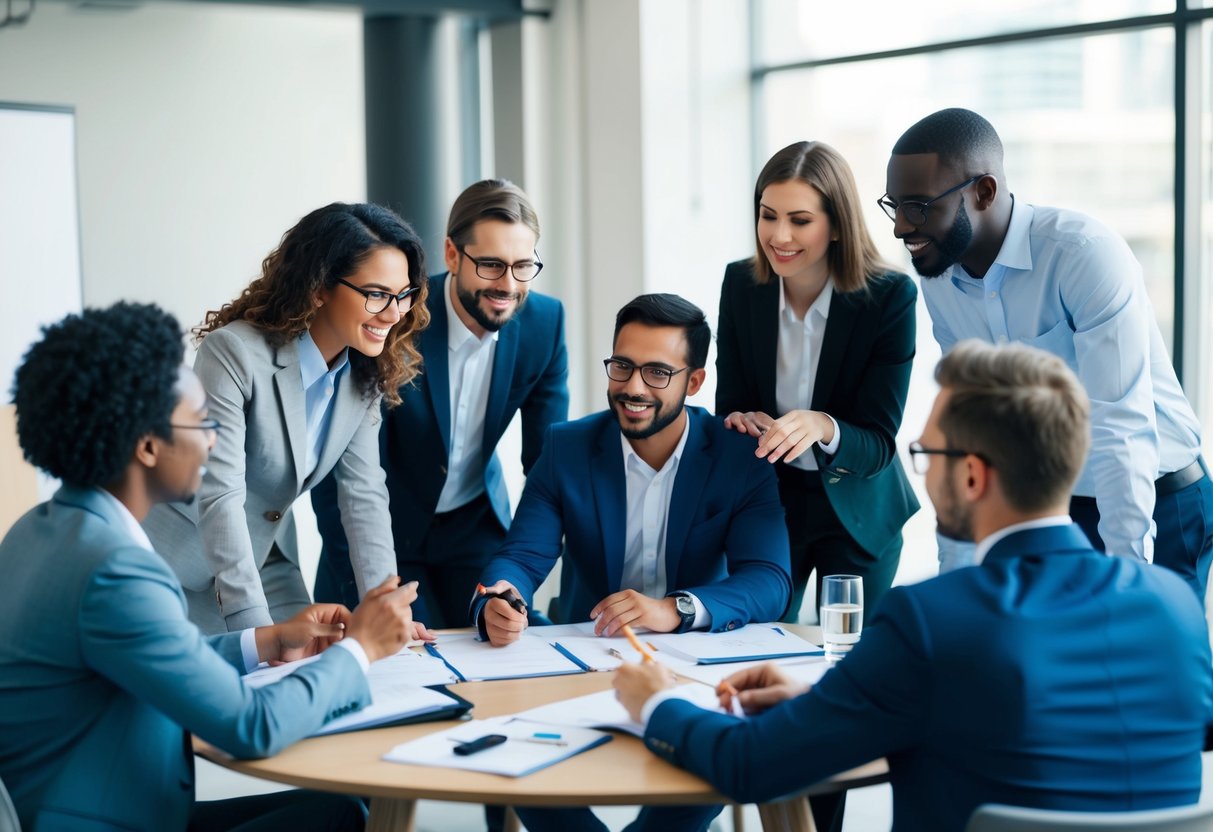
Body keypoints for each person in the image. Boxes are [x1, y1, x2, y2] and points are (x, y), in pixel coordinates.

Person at [615, 340, 1213, 832]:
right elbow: (1032, 727)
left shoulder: (930, 621)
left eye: (927, 454)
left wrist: (656, 699)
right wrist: (828, 701)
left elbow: (748, 766)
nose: (924, 472)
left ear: (973, 475)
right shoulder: (1175, 606)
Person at [0, 302, 421, 832]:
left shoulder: (39, 530)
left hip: (86, 804)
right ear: (148, 446)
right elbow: (253, 725)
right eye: (202, 422)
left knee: (337, 813)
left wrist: (267, 642)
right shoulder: (116, 572)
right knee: (334, 820)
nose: (217, 439)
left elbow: (155, 651)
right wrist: (362, 648)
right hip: (106, 819)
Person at [475, 293, 791, 832]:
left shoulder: (740, 456)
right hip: (582, 659)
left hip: (696, 666)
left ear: (694, 383)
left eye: (657, 372)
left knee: (710, 760)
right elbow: (521, 556)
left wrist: (675, 609)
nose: (633, 387)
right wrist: (500, 600)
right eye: (622, 365)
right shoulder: (568, 447)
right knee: (516, 751)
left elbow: (769, 579)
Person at [881, 107, 1211, 596]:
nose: (901, 228)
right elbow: (973, 427)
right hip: (1058, 506)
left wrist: (1127, 585)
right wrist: (955, 581)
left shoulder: (1082, 253)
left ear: (984, 192)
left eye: (920, 207)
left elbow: (1121, 428)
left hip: (1158, 496)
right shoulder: (941, 279)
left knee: (1138, 659)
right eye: (895, 206)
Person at [144, 202, 435, 633]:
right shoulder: (233, 354)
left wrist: (387, 611)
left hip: (268, 557)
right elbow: (220, 494)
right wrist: (257, 632)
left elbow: (364, 496)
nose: (394, 314)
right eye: (376, 294)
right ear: (319, 288)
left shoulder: (364, 375)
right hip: (179, 562)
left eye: (404, 295)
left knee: (312, 672)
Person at [312, 179, 569, 628]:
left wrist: (517, 573)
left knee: (508, 639)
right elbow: (338, 472)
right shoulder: (393, 317)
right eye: (490, 265)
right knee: (410, 665)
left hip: (476, 530)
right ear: (452, 254)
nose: (508, 285)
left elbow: (546, 470)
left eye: (523, 266)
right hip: (381, 532)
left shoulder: (545, 324)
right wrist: (366, 588)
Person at [717, 139, 918, 625]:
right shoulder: (742, 286)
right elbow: (732, 403)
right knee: (751, 644)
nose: (779, 235)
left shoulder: (889, 298)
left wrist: (822, 426)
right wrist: (740, 419)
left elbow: (877, 443)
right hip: (771, 502)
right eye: (768, 216)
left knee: (846, 661)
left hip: (858, 508)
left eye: (800, 220)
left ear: (836, 226)